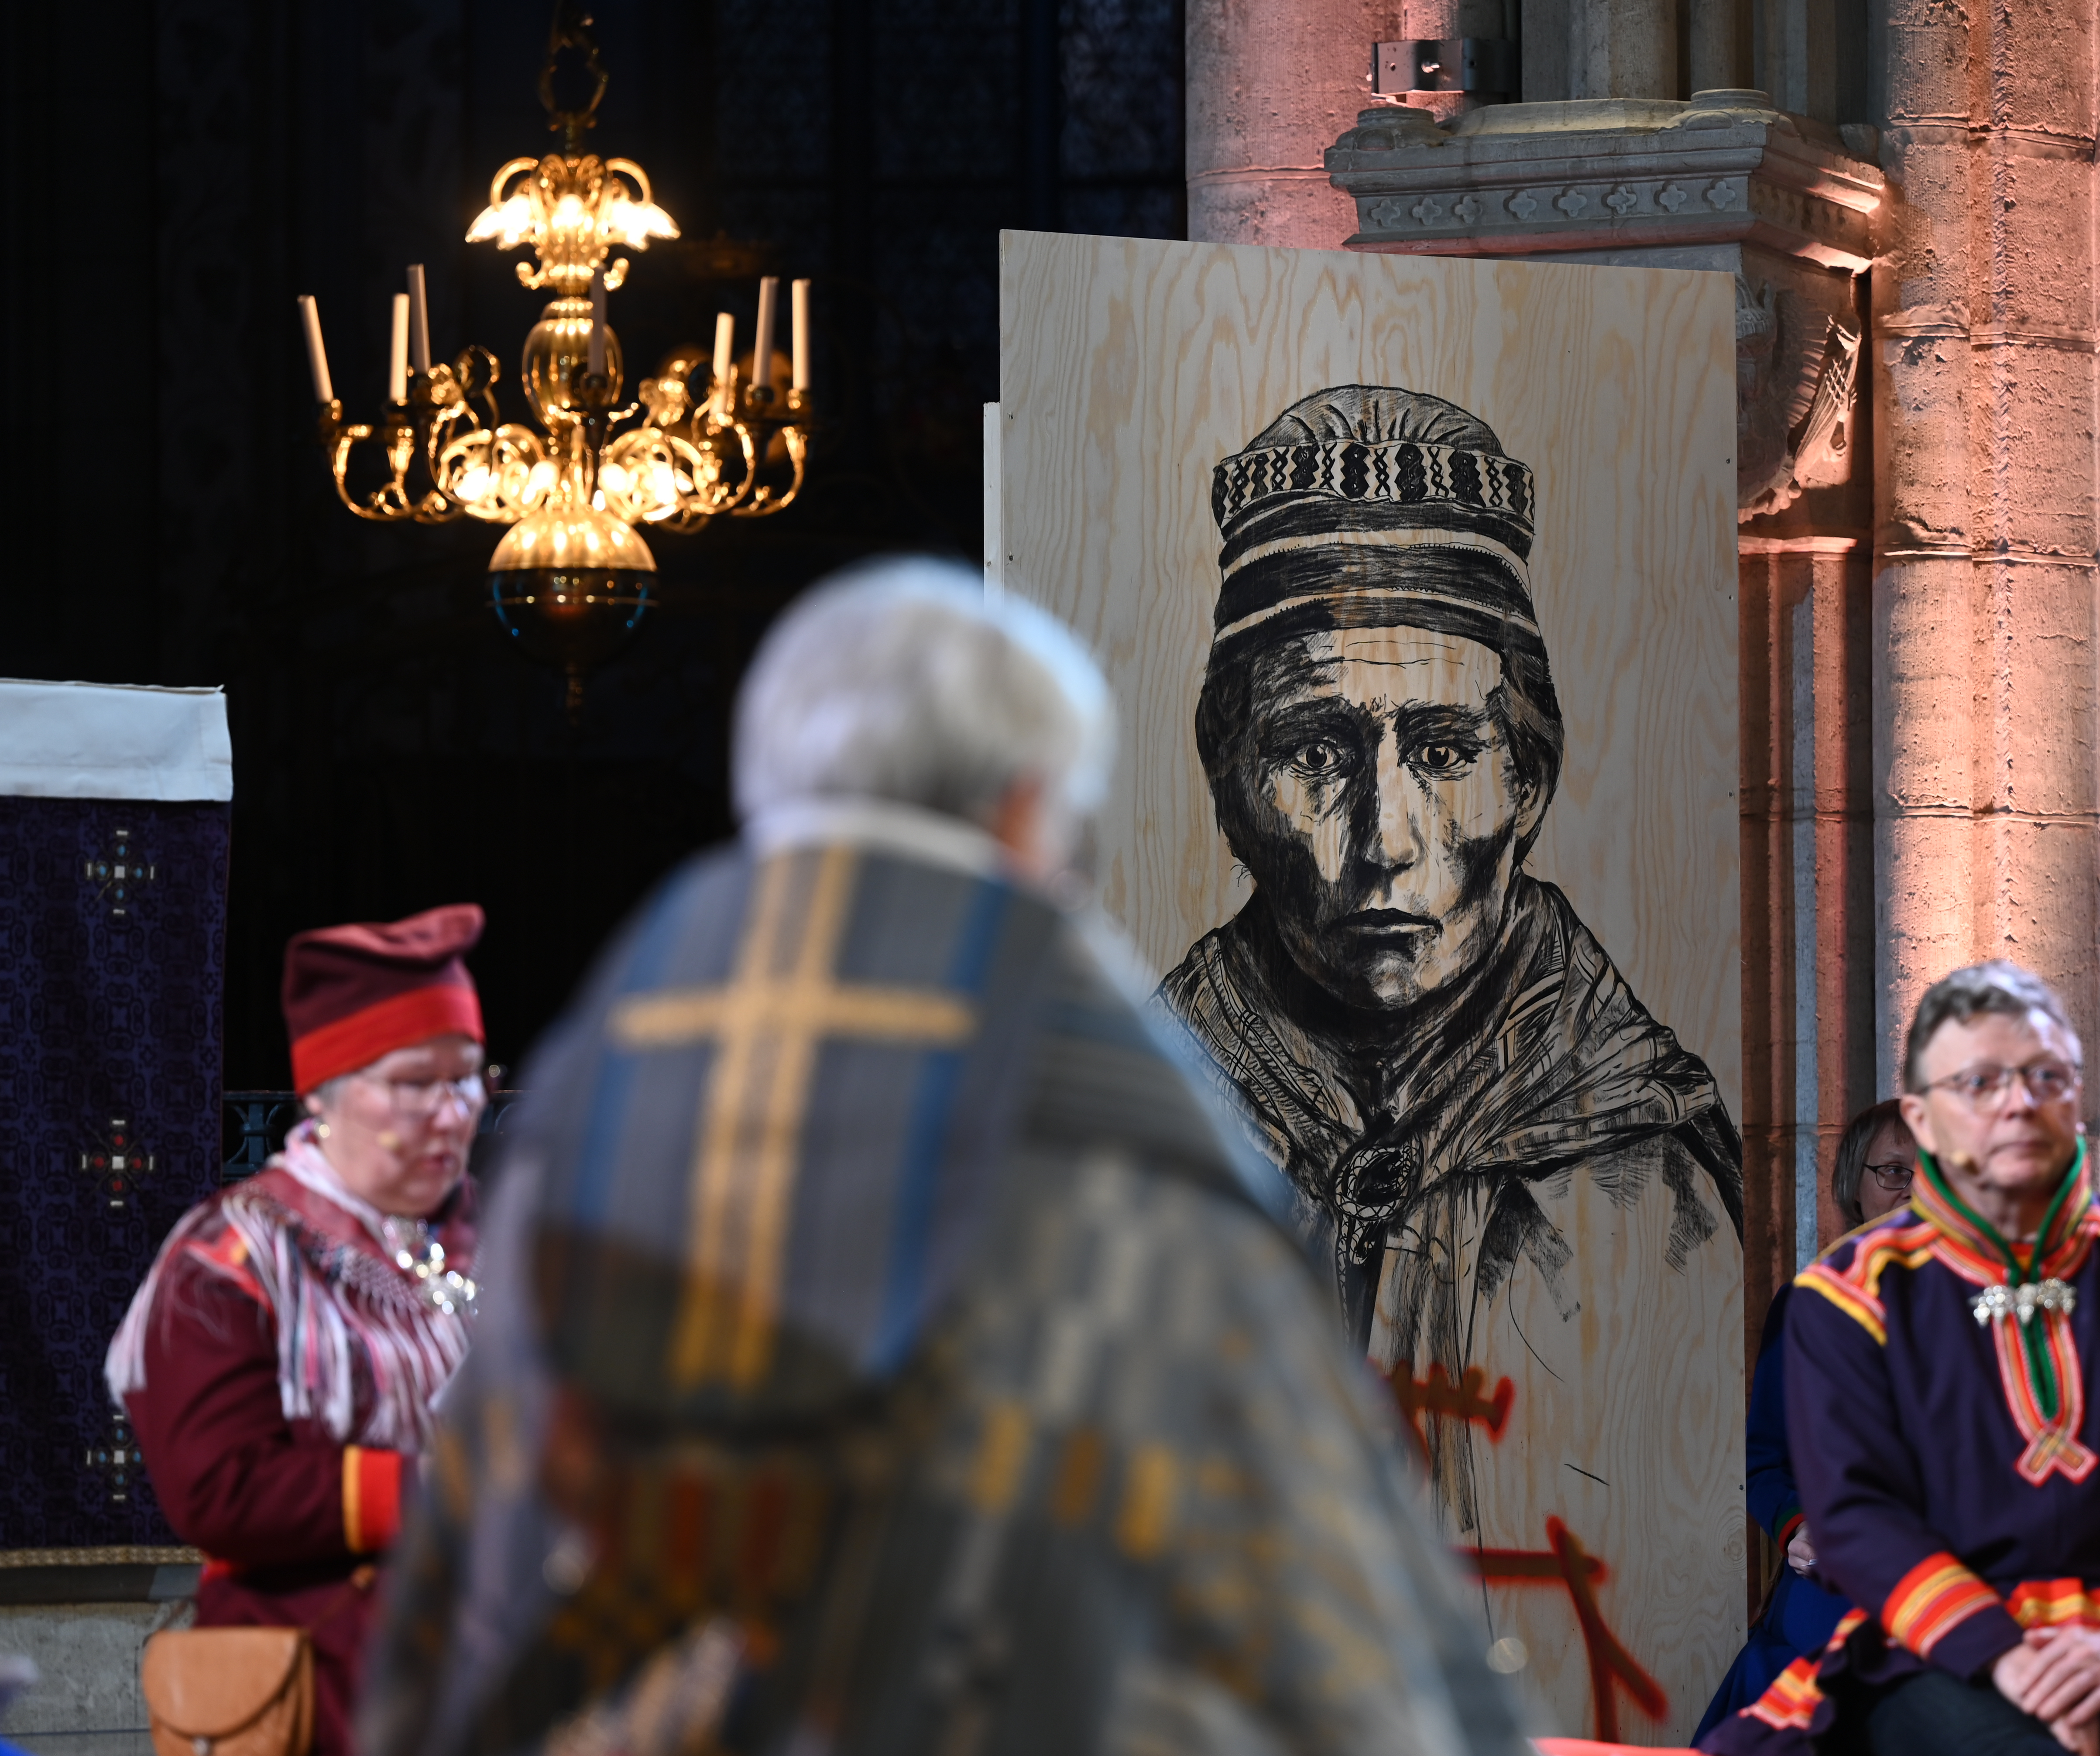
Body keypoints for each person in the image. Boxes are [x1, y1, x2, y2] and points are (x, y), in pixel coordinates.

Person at [356, 560, 1526, 1756]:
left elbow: (474, 1564)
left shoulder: (586, 1088)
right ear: (1028, 809)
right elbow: (1332, 1608)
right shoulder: (1106, 1102)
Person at [1156, 384, 1743, 1557]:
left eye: (1442, 751)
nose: (1387, 838)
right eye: (1315, 751)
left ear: (1527, 782)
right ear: (1230, 786)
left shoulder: (1642, 1171)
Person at [1699, 961, 2100, 1756]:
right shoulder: (1845, 1299)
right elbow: (1859, 1516)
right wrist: (2001, 1660)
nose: (2019, 1106)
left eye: (2045, 1077)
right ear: (1923, 1119)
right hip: (1932, 1646)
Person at [110, 907, 489, 1756]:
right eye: (412, 1082)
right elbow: (215, 1487)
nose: (449, 1111)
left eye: (465, 1078)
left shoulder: (484, 1236)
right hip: (315, 1681)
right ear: (325, 1091)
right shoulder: (229, 1257)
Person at [1695, 1099, 1918, 1736]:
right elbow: (1765, 1459)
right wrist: (1797, 1527)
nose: (1918, 1190)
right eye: (1895, 1171)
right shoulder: (1812, 1303)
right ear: (1855, 1186)